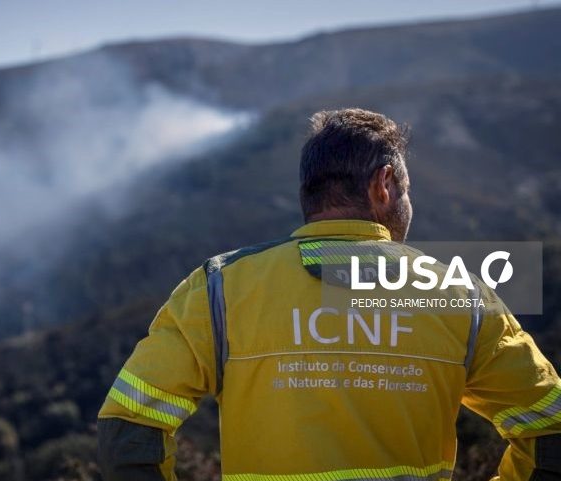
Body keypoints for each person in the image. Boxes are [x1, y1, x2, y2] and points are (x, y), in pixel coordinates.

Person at [97, 108, 561, 481]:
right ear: (383, 186)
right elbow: (551, 428)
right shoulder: (462, 297)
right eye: (406, 191)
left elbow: (131, 425)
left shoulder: (219, 289)